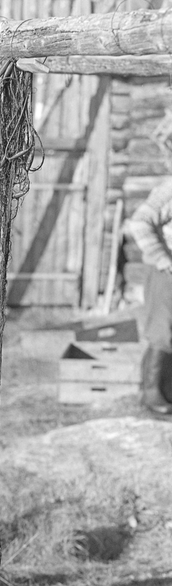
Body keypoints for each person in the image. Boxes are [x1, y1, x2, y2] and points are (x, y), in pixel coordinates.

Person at [126, 176, 172, 417]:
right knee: (162, 330)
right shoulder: (170, 189)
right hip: (166, 270)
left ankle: (164, 390)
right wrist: (162, 258)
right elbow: (140, 221)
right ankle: (151, 393)